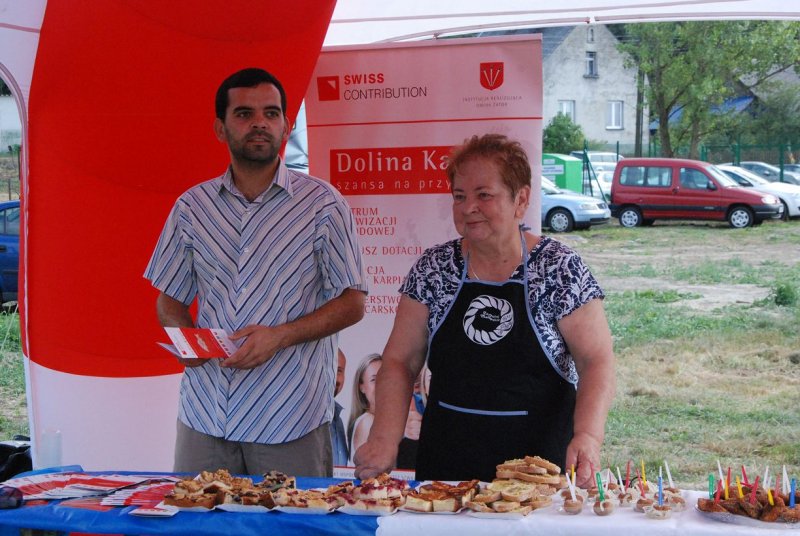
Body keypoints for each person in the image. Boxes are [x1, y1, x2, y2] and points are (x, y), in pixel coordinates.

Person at [354, 134, 615, 486]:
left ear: (521, 200)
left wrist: (588, 437)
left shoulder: (558, 268)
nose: (468, 208)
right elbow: (400, 360)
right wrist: (385, 439)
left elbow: (596, 360)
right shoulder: (434, 268)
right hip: (446, 471)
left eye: (484, 195)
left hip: (538, 470)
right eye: (459, 196)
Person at [144, 67, 367, 477]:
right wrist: (186, 339)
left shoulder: (323, 205)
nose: (260, 123)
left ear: (286, 126)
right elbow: (169, 300)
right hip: (206, 413)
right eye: (245, 114)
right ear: (220, 128)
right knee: (196, 514)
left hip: (290, 415)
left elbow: (353, 303)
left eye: (271, 113)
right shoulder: (192, 207)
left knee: (293, 515)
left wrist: (279, 336)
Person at [347, 354, 382, 464]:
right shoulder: (368, 422)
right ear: (361, 387)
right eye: (373, 379)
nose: (381, 384)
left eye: (385, 377)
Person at [330, 349, 350, 466]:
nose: (334, 377)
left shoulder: (338, 422)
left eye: (339, 370)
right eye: (329, 367)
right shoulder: (302, 421)